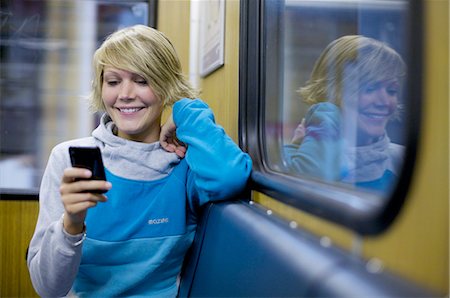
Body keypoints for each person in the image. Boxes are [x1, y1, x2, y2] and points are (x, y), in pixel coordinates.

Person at [27, 25, 252, 297]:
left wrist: (184, 112)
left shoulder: (186, 161)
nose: (125, 94)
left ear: (166, 85)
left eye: (142, 80)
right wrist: (71, 224)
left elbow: (230, 176)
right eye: (113, 82)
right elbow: (48, 289)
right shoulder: (68, 159)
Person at [283, 35, 406, 191]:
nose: (384, 102)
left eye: (391, 90)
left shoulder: (404, 160)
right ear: (333, 91)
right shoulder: (297, 162)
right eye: (370, 89)